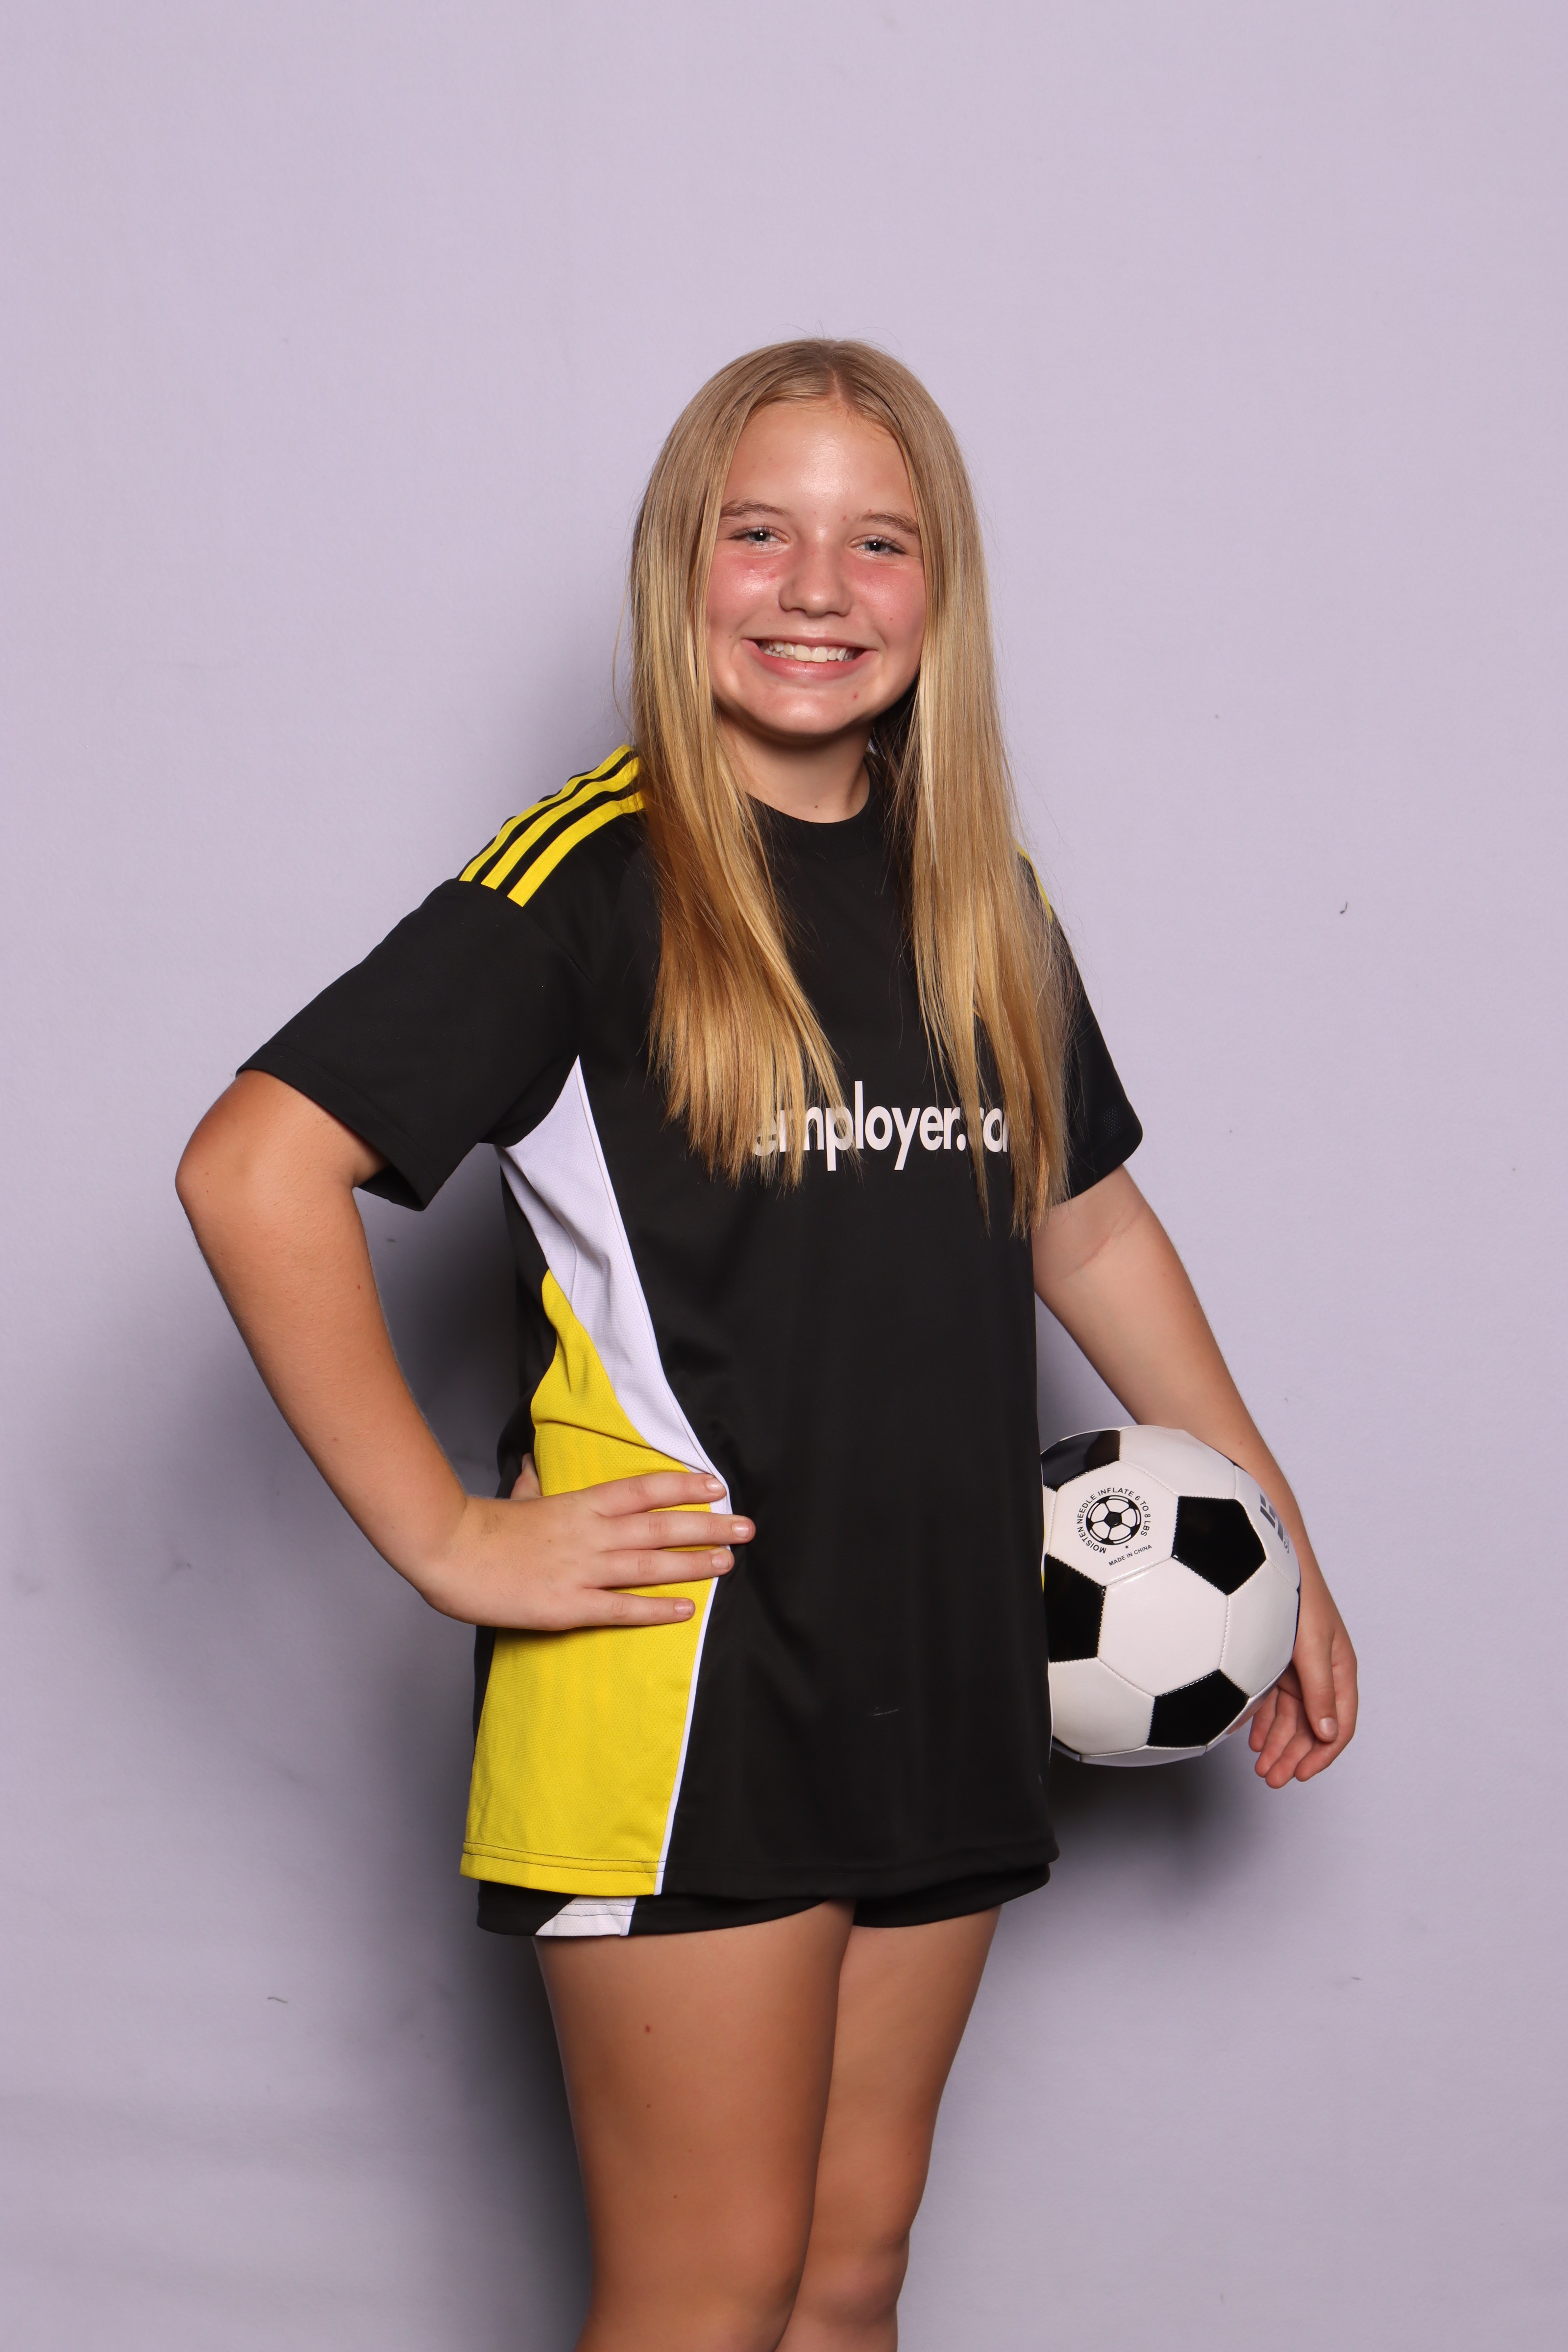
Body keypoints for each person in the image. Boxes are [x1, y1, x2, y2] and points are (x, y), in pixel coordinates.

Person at [176, 340, 1357, 2352]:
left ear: (939, 588)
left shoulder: (973, 894)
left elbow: (1082, 1219)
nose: (816, 589)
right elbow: (252, 1167)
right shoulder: (590, 878)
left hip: (946, 1658)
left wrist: (1278, 1527)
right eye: (759, 533)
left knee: (844, 2278)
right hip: (684, 1690)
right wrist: (447, 1541)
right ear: (681, 567)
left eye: (875, 542)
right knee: (705, 2298)